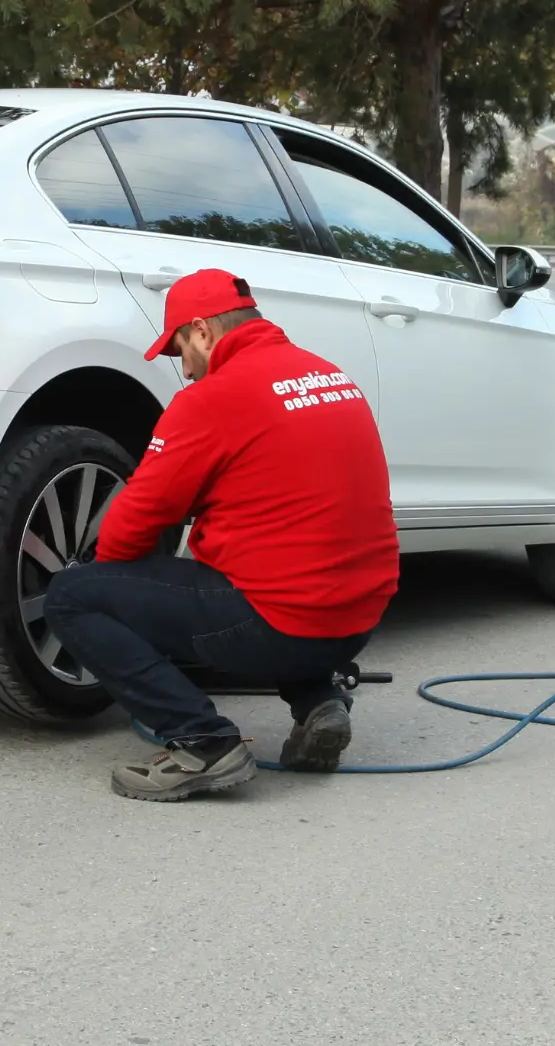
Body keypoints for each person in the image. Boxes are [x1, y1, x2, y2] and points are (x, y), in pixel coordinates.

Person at [44, 267, 399, 800]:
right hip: (355, 620)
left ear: (204, 332)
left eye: (180, 348)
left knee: (74, 597)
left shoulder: (213, 398)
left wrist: (120, 582)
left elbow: (133, 521)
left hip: (281, 626)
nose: (184, 368)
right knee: (271, 574)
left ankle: (202, 744)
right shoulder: (328, 376)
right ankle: (318, 703)